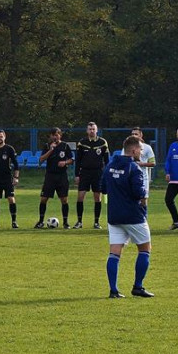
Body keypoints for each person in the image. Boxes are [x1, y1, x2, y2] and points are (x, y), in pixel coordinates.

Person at [101, 135, 153, 298]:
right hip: (133, 215)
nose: (141, 152)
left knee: (114, 252)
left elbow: (103, 187)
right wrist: (143, 200)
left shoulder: (110, 165)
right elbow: (139, 193)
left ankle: (113, 290)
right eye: (140, 149)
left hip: (114, 215)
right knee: (145, 249)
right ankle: (138, 287)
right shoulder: (134, 168)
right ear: (133, 150)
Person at [73, 122, 110, 229]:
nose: (92, 131)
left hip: (98, 173)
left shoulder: (103, 142)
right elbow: (78, 160)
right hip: (84, 173)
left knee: (97, 197)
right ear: (87, 131)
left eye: (93, 129)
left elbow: (107, 161)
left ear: (96, 130)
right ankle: (79, 221)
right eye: (90, 129)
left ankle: (96, 222)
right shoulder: (82, 143)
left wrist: (107, 174)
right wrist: (77, 175)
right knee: (80, 196)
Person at [35, 128, 72, 229]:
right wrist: (51, 150)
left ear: (60, 135)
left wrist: (65, 162)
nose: (55, 137)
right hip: (50, 176)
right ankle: (41, 221)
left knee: (64, 200)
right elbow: (41, 160)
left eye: (57, 135)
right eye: (53, 135)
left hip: (62, 176)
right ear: (50, 136)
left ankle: (65, 222)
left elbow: (72, 159)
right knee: (43, 199)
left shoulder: (65, 146)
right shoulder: (47, 146)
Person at [130, 127, 157, 196]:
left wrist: (142, 164)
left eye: (136, 134)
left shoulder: (147, 147)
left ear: (141, 135)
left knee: (143, 199)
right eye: (132, 134)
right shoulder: (127, 147)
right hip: (130, 177)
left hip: (143, 178)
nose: (134, 136)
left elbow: (153, 163)